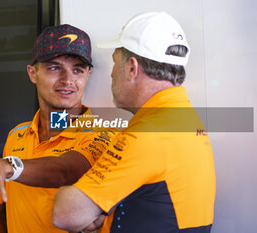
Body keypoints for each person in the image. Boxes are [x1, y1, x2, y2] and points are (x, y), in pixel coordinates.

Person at [53, 12, 216, 233]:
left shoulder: (148, 134)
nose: (111, 74)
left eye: (114, 63)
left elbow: (65, 214)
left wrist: (80, 201)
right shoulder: (185, 119)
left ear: (132, 68)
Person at [0, 24, 115, 233]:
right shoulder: (17, 136)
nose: (67, 80)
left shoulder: (104, 132)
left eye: (77, 70)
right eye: (54, 67)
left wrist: (10, 166)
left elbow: (65, 170)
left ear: (88, 75)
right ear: (32, 73)